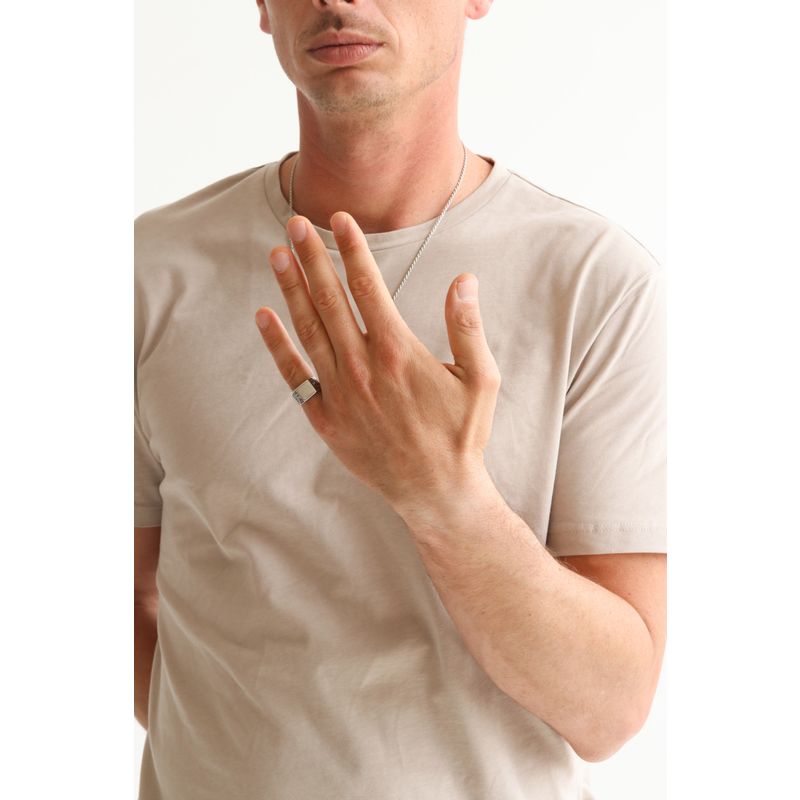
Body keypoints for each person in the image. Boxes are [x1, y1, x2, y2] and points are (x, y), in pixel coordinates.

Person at [134, 1, 667, 797]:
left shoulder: (594, 283)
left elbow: (610, 709)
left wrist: (443, 494)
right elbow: (123, 614)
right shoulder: (147, 274)